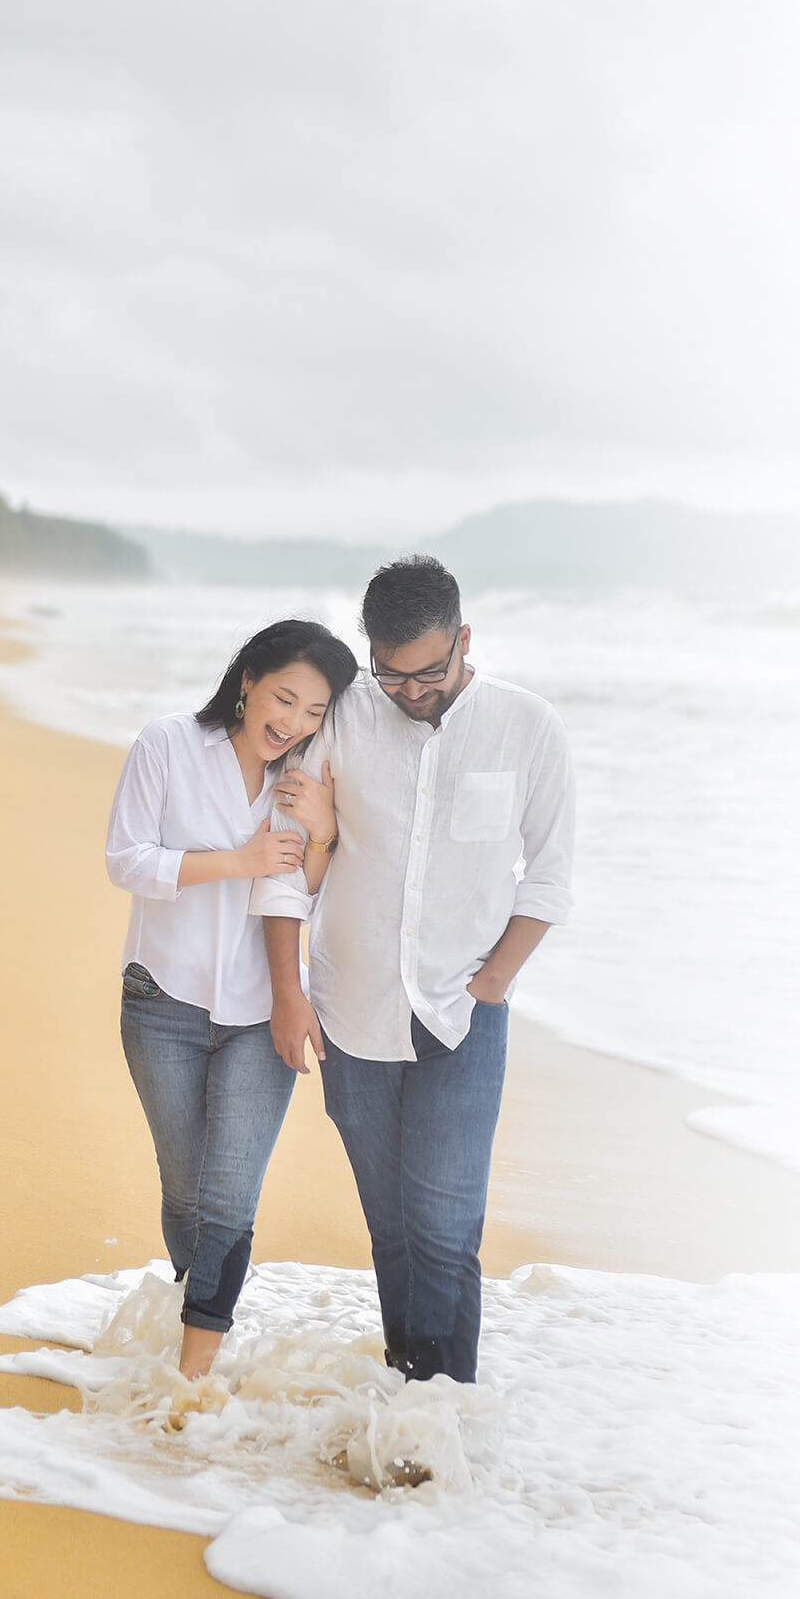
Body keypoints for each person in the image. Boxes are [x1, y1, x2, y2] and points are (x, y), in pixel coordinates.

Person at [252, 557, 575, 1386]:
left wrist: (494, 981)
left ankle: (440, 1411)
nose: (409, 690)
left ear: (464, 639)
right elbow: (288, 863)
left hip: (462, 1014)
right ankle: (412, 1389)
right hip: (348, 1010)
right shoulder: (346, 714)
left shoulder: (528, 727)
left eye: (429, 671)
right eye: (389, 674)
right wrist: (288, 994)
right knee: (391, 1227)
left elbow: (547, 876)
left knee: (443, 1225)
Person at [106, 618, 359, 1381]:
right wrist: (235, 861)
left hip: (259, 1013)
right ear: (247, 679)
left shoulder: (304, 779)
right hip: (162, 1000)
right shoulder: (167, 745)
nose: (295, 724)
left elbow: (300, 893)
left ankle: (192, 1379)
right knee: (185, 1191)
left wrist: (322, 836)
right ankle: (193, 1310)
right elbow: (128, 861)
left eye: (316, 712)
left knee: (227, 1197)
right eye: (285, 699)